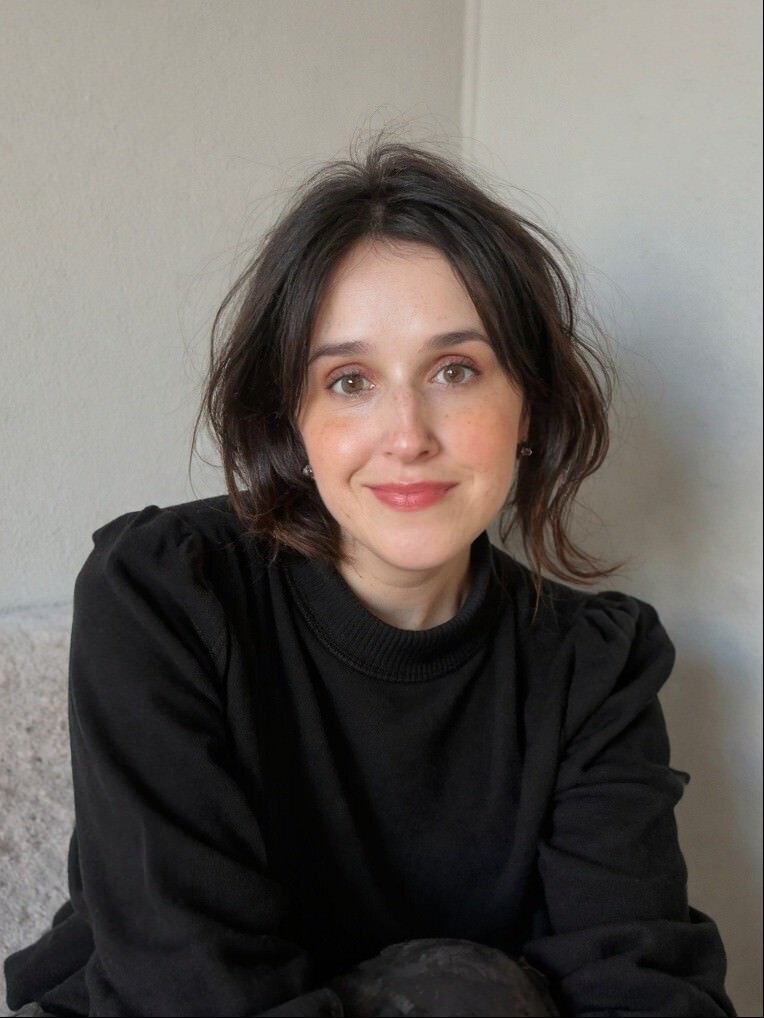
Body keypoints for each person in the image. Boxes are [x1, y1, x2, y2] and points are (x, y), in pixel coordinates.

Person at [4, 140, 736, 1018]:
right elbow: (190, 986)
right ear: (292, 421)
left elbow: (638, 982)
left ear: (528, 407)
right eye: (350, 381)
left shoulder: (592, 666)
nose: (408, 435)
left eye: (455, 371)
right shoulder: (165, 596)